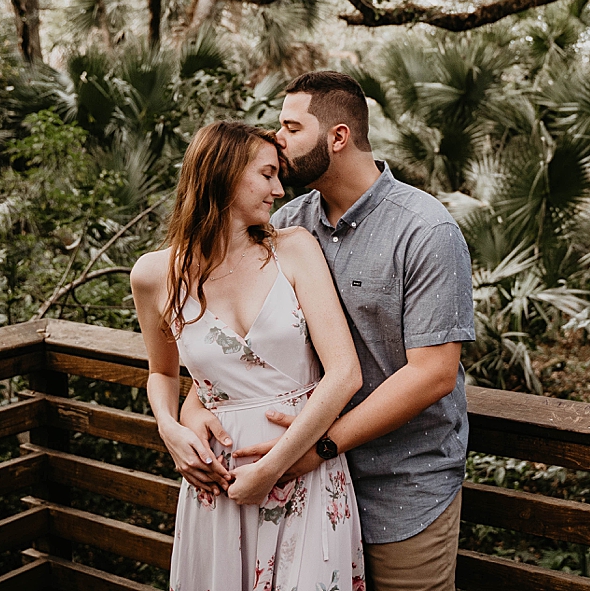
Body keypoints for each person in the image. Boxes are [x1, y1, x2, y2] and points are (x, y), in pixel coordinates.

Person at [190, 71, 476, 591]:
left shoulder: (425, 229)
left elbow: (433, 374)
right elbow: (238, 342)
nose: (278, 139)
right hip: (301, 487)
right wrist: (189, 414)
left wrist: (314, 451)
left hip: (401, 486)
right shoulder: (287, 224)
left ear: (337, 137)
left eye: (291, 127)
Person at [130, 120, 365, 591]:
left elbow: (344, 375)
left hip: (304, 474)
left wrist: (274, 467)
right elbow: (161, 370)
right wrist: (169, 427)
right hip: (218, 483)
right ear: (224, 173)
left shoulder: (295, 249)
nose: (279, 190)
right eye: (267, 174)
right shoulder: (155, 275)